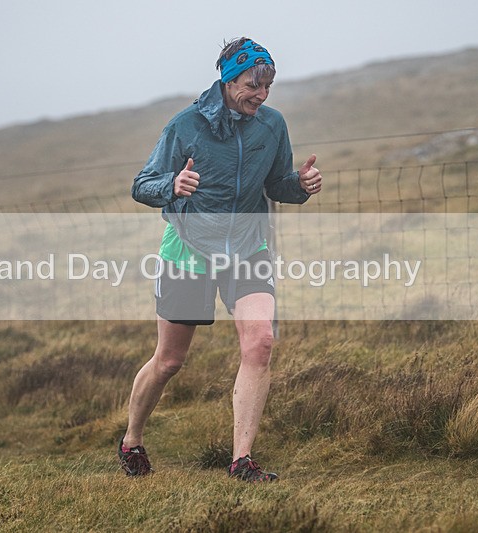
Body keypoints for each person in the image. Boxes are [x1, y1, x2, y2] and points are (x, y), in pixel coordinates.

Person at [120, 37, 321, 482]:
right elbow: (142, 184)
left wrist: (300, 185)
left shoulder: (271, 125)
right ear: (229, 80)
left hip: (248, 249)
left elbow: (277, 185)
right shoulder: (185, 126)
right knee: (169, 361)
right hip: (188, 252)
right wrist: (172, 184)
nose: (262, 95)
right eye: (253, 85)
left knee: (260, 343)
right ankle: (132, 439)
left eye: (268, 86)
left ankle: (241, 461)